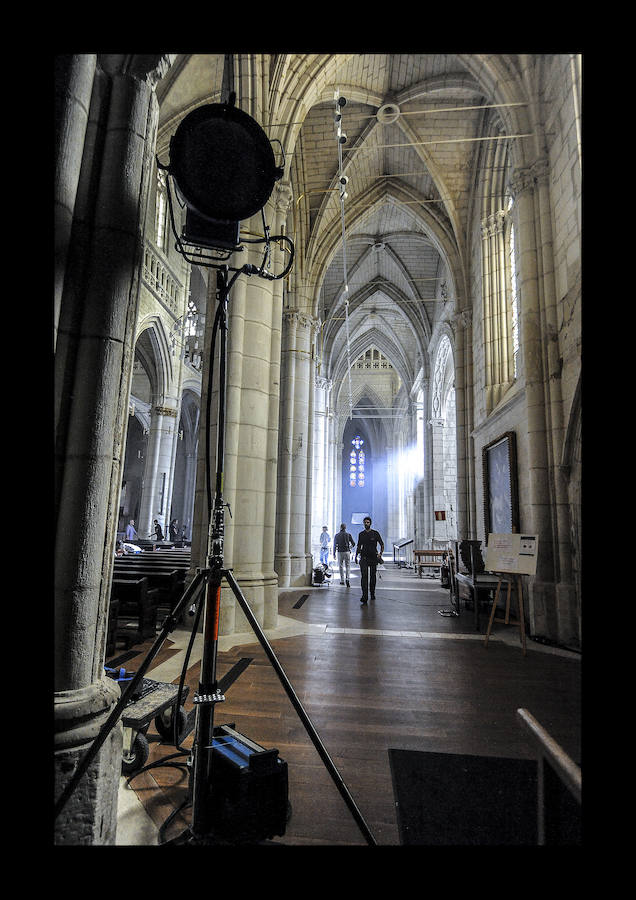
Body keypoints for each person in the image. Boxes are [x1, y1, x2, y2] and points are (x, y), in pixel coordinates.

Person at [355, 516, 384, 604]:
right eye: (365, 522)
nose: (366, 524)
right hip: (364, 557)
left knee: (372, 577)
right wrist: (356, 556)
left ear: (370, 523)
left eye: (368, 522)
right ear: (363, 524)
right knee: (364, 577)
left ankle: (372, 593)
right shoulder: (361, 534)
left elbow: (381, 544)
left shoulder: (375, 533)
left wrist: (380, 553)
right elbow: (359, 546)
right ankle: (364, 596)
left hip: (373, 557)